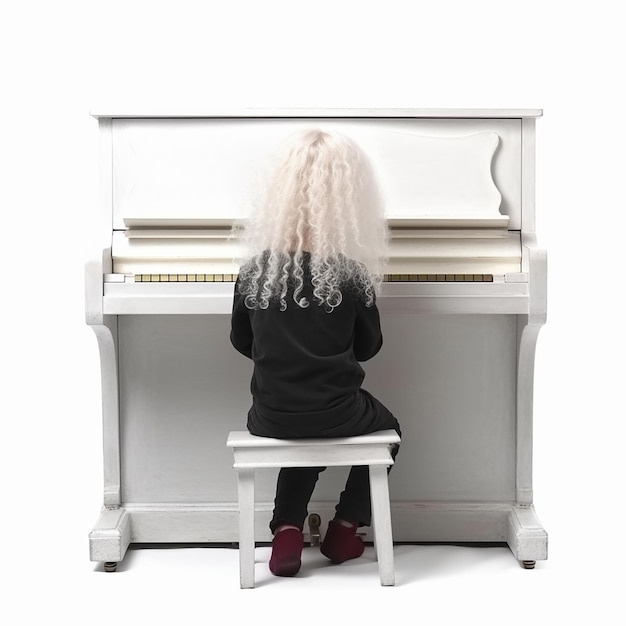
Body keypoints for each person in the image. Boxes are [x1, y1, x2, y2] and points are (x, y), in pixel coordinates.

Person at [229, 128, 401, 578]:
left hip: (269, 414)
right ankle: (346, 528)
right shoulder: (349, 273)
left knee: (304, 428)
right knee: (386, 426)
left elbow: (241, 343)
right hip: (337, 411)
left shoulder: (254, 273)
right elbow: (369, 348)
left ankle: (286, 529)